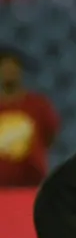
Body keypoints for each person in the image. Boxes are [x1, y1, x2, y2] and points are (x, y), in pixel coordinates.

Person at [0, 49, 60, 186]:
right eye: (5, 67)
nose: (9, 72)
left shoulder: (38, 104)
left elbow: (50, 136)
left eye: (13, 67)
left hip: (32, 183)